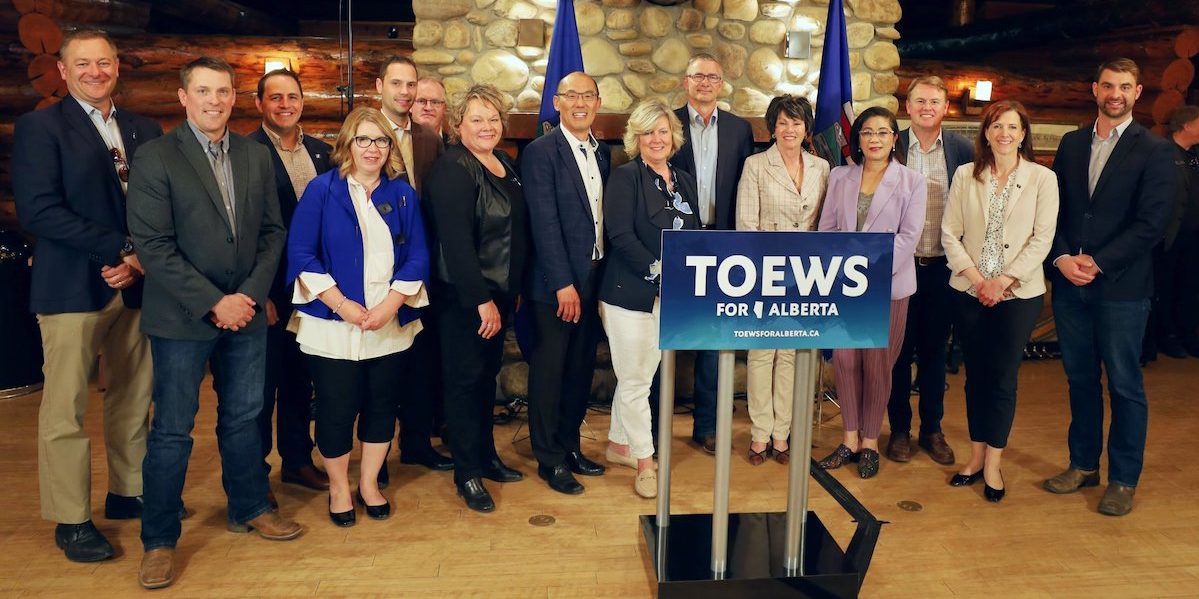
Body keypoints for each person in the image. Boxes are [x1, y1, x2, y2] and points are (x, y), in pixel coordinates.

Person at [126, 56, 300, 589]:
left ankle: (249, 505)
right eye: (203, 91)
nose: (214, 100)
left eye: (223, 91)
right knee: (173, 430)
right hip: (182, 317)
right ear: (183, 97)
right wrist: (213, 301)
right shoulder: (156, 157)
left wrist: (246, 295)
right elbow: (153, 246)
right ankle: (158, 540)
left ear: (233, 98)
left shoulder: (252, 154)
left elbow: (273, 232)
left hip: (245, 312)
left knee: (245, 417)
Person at [12, 29, 162, 563]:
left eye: (104, 62)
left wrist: (138, 256)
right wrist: (120, 248)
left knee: (132, 396)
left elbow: (159, 201)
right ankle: (71, 519)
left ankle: (129, 491)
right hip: (71, 287)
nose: (95, 71)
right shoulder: (40, 127)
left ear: (118, 66)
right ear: (63, 68)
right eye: (84, 63)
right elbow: (38, 210)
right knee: (65, 409)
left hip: (136, 285)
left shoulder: (142, 128)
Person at [1042, 58, 1176, 516]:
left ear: (1137, 92)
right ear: (1093, 88)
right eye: (1107, 85)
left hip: (1122, 288)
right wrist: (1060, 258)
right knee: (1079, 380)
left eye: (1124, 86)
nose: (1114, 93)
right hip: (1070, 284)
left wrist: (1098, 263)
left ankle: (1122, 479)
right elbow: (1052, 209)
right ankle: (1082, 465)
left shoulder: (1155, 150)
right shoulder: (1072, 142)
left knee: (1124, 384)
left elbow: (1153, 223)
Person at [286, 107, 429, 527]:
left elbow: (418, 254)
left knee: (382, 406)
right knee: (335, 408)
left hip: (388, 323)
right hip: (333, 325)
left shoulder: (402, 194)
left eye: (381, 140)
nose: (372, 148)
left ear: (390, 148)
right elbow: (301, 254)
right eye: (363, 139)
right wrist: (342, 304)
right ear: (347, 143)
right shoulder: (322, 190)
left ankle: (368, 484)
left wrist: (391, 305)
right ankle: (338, 487)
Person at [941, 100, 1059, 502]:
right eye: (996, 126)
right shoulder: (964, 175)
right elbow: (949, 234)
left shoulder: (1043, 179)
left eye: (1012, 127)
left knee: (1003, 377)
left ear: (1023, 133)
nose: (1004, 134)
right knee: (975, 376)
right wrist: (978, 281)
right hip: (970, 291)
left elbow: (1042, 240)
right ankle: (974, 458)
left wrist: (1004, 280)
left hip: (1018, 294)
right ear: (986, 133)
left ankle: (994, 463)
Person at [424, 84, 528, 513]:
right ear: (458, 125)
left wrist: (510, 293)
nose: (487, 127)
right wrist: (481, 299)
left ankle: (486, 456)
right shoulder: (453, 168)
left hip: (499, 296)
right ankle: (467, 471)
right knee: (465, 384)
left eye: (493, 119)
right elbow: (455, 244)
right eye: (476, 119)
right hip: (466, 300)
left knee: (487, 381)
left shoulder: (503, 162)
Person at [815, 107, 927, 479]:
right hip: (844, 287)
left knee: (877, 366)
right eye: (867, 132)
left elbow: (908, 238)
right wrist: (842, 273)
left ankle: (869, 443)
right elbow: (827, 229)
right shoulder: (840, 176)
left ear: (895, 138)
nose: (874, 139)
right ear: (857, 139)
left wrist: (868, 272)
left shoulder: (912, 181)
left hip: (887, 287)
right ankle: (848, 439)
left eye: (882, 132)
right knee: (845, 362)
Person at [601, 98, 701, 498]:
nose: (656, 139)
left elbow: (694, 233)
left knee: (640, 372)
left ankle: (617, 443)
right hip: (629, 293)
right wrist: (663, 272)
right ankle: (644, 461)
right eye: (648, 132)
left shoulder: (685, 180)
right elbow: (620, 236)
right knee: (637, 378)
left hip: (670, 296)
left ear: (673, 137)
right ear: (636, 138)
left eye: (663, 131)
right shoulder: (625, 178)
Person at [521, 72, 611, 495]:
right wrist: (562, 283)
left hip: (592, 278)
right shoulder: (541, 152)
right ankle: (549, 458)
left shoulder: (604, 153)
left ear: (597, 102)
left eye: (588, 96)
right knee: (550, 372)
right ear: (556, 102)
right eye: (572, 96)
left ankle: (571, 445)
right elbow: (544, 221)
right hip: (555, 287)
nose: (580, 102)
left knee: (578, 372)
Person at [249, 69, 332, 501]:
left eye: (292, 97)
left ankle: (298, 460)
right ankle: (254, 473)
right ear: (260, 103)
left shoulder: (321, 152)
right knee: (261, 387)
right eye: (275, 97)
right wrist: (258, 292)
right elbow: (244, 230)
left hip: (313, 290)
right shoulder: (245, 151)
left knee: (302, 378)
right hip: (269, 290)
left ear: (303, 101)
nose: (284, 104)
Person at [734, 94, 830, 466]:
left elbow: (825, 222)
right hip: (764, 276)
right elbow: (746, 226)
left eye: (797, 122)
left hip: (807, 279)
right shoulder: (755, 165)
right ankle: (759, 435)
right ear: (773, 127)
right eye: (783, 123)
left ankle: (781, 434)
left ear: (807, 128)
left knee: (789, 354)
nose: (790, 129)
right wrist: (763, 273)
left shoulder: (822, 167)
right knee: (762, 355)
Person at [887, 76, 975, 466]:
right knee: (899, 352)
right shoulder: (892, 144)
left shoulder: (961, 149)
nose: (927, 107)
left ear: (945, 108)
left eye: (934, 101)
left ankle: (932, 429)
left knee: (936, 353)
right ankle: (900, 431)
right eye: (919, 100)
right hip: (898, 268)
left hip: (942, 267)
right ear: (908, 107)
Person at [671, 52, 754, 454]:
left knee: (712, 339)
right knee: (662, 335)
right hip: (676, 242)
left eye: (713, 77)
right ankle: (653, 427)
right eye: (697, 75)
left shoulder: (739, 130)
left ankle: (706, 425)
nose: (705, 82)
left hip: (722, 243)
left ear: (722, 85)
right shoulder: (664, 124)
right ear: (685, 82)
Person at [375, 55, 453, 478]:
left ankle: (418, 443)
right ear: (380, 86)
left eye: (411, 85)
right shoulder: (364, 132)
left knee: (422, 360)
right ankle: (376, 453)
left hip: (421, 266)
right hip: (377, 267)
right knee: (384, 366)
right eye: (398, 84)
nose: (405, 93)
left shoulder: (428, 138)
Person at [1144, 105, 1199, 359]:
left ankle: (1188, 335)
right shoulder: (1162, 152)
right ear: (1187, 125)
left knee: (1189, 288)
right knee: (1165, 288)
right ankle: (1167, 336)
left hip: (1193, 238)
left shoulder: (1195, 155)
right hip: (1168, 237)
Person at [414, 77, 449, 143]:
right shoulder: (396, 144)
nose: (428, 108)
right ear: (410, 106)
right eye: (421, 101)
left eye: (435, 102)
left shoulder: (457, 149)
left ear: (444, 108)